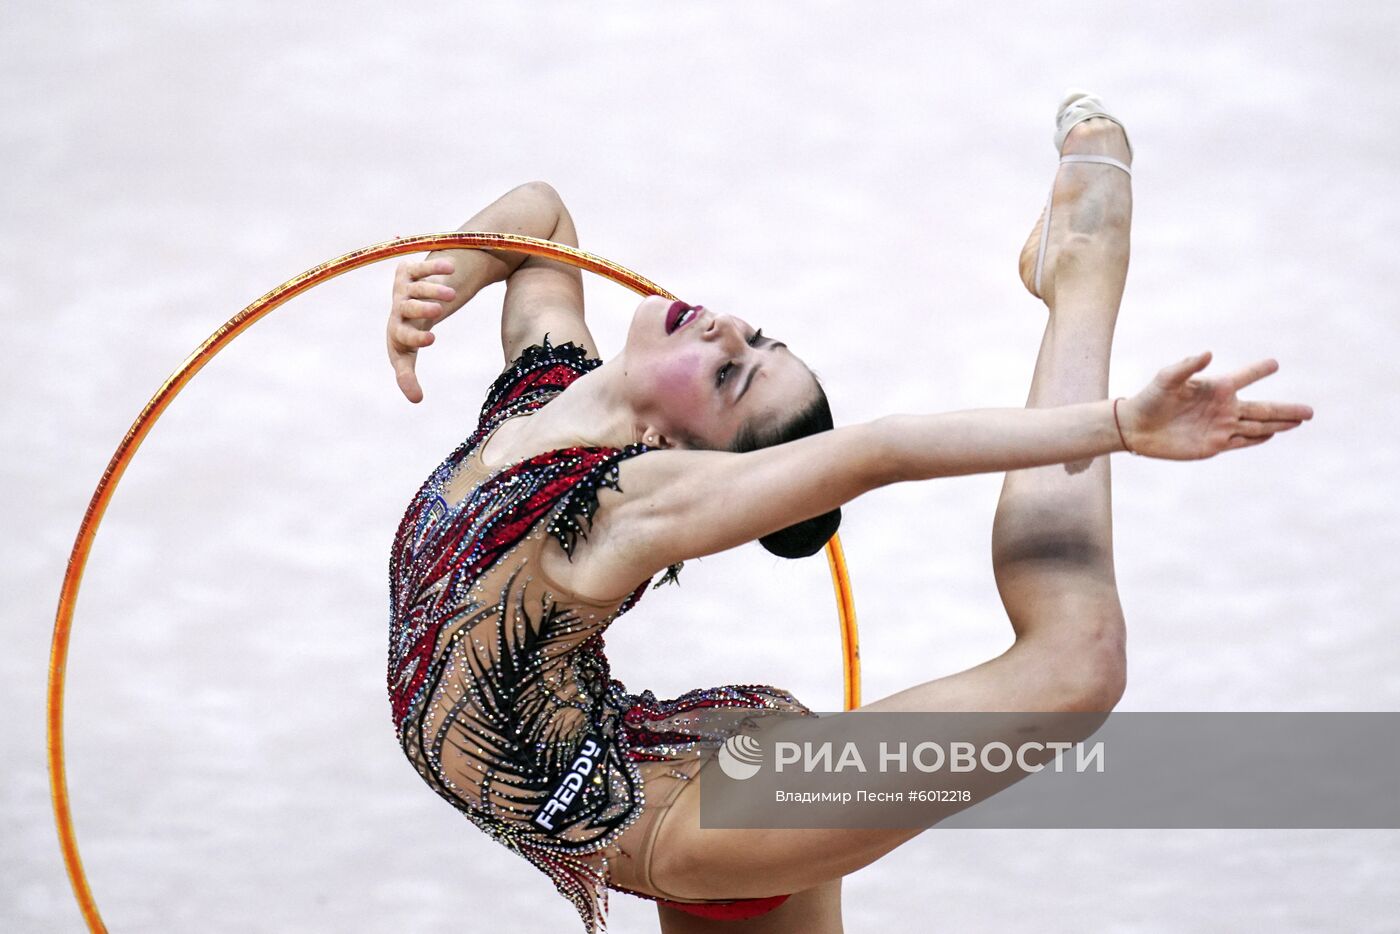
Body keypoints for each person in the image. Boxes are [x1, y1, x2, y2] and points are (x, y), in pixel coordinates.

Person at [383, 92, 1312, 934]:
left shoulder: (627, 504)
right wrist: (453, 272)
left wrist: (1119, 425)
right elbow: (540, 220)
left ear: (679, 456)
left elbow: (884, 451)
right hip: (672, 762)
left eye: (730, 375)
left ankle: (1081, 283)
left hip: (701, 821)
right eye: (757, 340)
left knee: (1077, 664)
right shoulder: (541, 389)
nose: (725, 331)